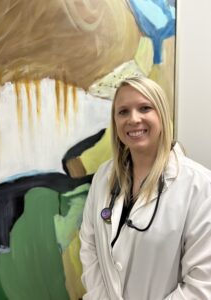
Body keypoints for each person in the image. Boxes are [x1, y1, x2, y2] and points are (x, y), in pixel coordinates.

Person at [79, 76, 211, 300]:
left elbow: (201, 284)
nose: (133, 119)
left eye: (144, 108)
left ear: (161, 114)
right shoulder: (104, 177)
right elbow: (89, 248)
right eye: (123, 112)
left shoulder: (199, 186)